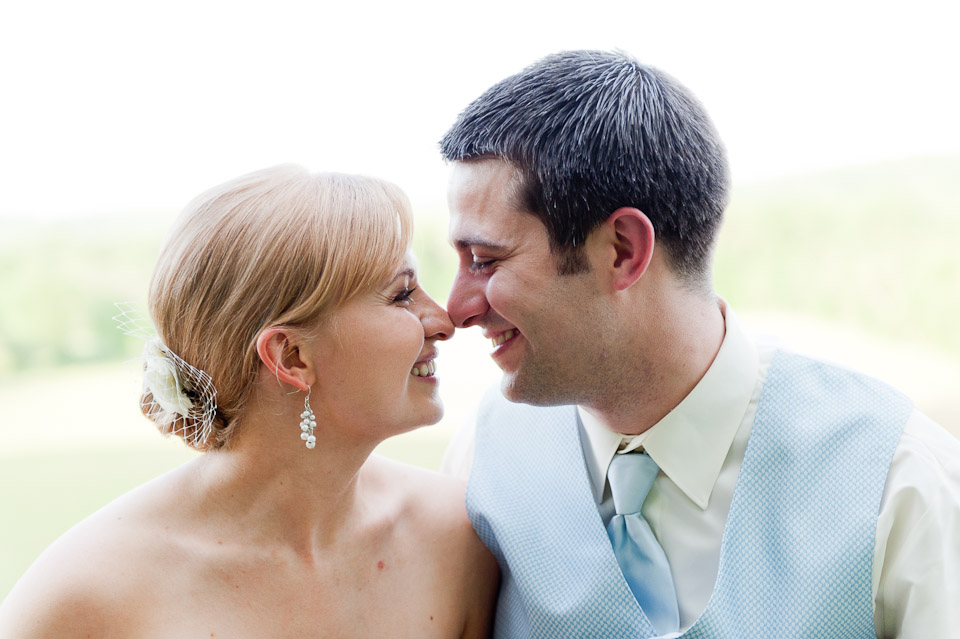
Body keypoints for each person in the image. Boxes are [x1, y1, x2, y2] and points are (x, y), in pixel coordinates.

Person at [438, 50, 960, 638]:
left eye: (485, 260)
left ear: (623, 250)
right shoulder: (482, 460)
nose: (456, 308)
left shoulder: (901, 480)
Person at [0, 166, 499, 638]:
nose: (445, 320)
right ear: (291, 356)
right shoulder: (84, 594)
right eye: (401, 295)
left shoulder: (458, 537)